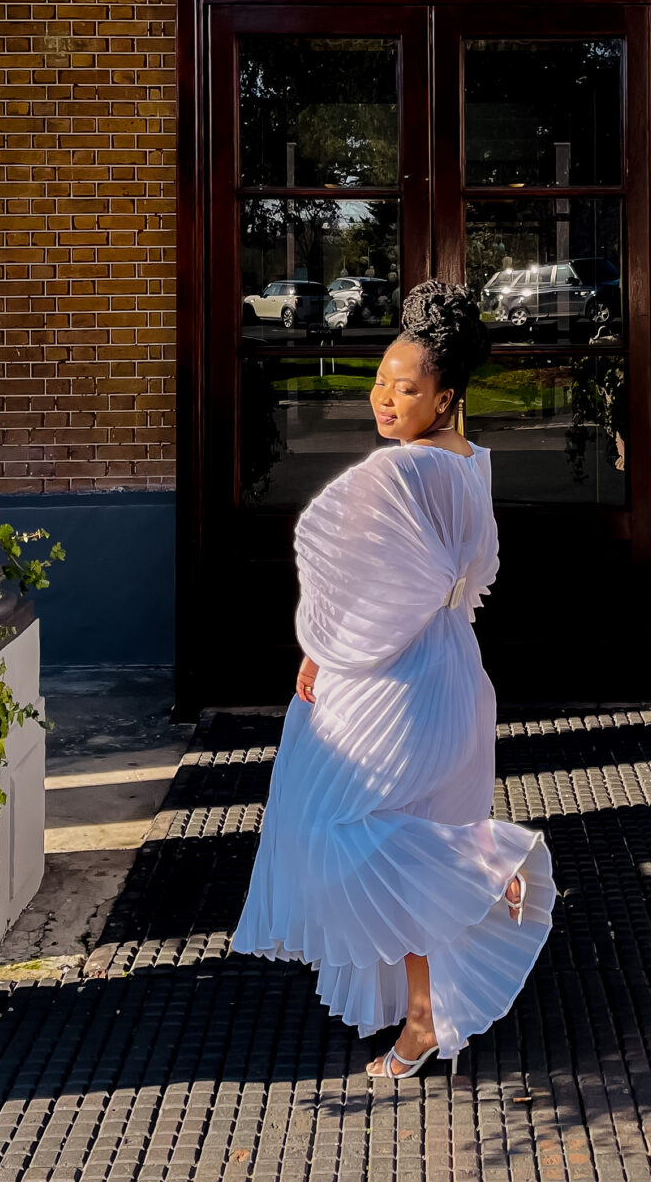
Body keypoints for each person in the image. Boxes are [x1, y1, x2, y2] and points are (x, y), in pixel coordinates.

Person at [232, 280, 555, 1078]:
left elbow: (371, 592)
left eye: (405, 387)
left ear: (445, 396)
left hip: (395, 680)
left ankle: (485, 877)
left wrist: (320, 650)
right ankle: (426, 1004)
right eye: (380, 378)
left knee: (344, 833)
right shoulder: (472, 463)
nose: (383, 397)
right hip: (451, 671)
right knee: (398, 841)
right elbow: (471, 582)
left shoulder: (402, 474)